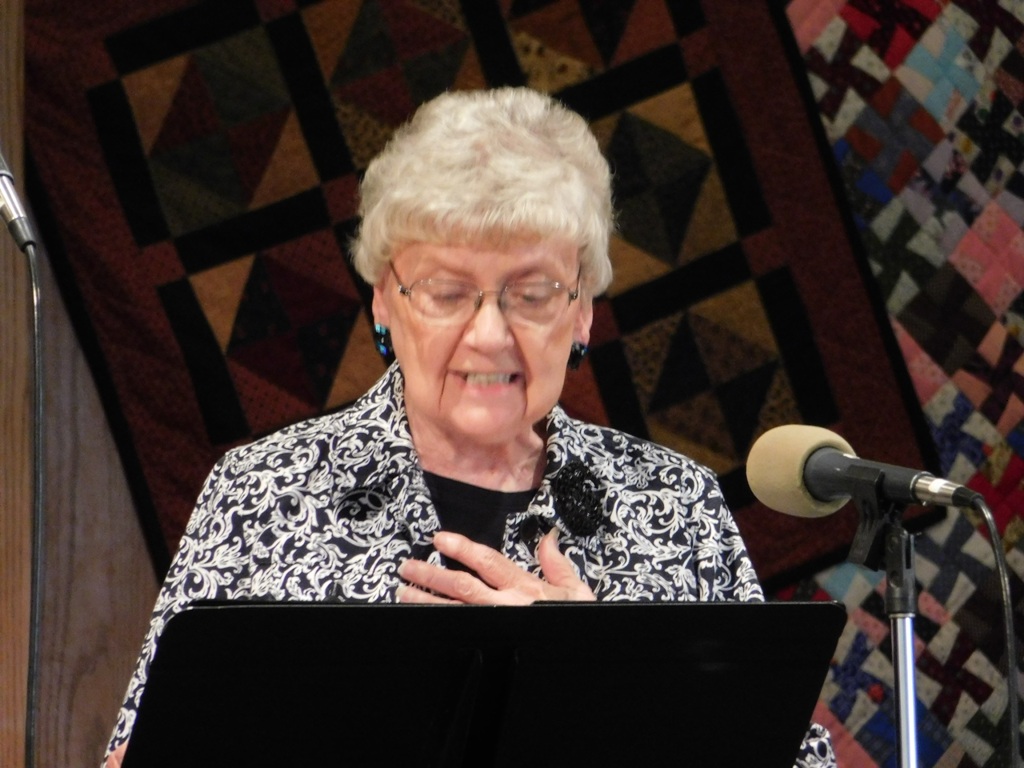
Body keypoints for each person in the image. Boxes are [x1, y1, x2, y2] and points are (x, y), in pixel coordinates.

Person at [104, 86, 835, 766]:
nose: (489, 336)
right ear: (385, 300)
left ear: (582, 310)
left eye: (533, 293)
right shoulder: (264, 488)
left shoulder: (676, 504)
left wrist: (602, 679)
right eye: (447, 292)